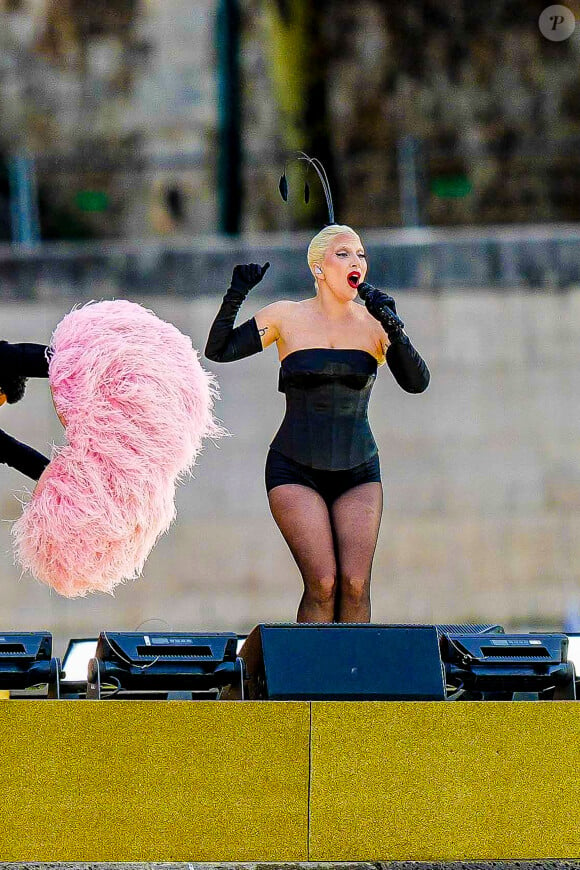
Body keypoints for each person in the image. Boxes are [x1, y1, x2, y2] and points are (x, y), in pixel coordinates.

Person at [205, 223, 430, 624]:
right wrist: (237, 291)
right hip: (295, 467)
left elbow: (417, 383)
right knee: (323, 583)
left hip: (358, 470)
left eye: (360, 254)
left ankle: (357, 683)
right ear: (319, 269)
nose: (356, 260)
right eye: (343, 253)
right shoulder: (285, 317)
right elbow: (218, 350)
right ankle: (309, 686)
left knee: (356, 584)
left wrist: (393, 326)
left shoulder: (374, 323)